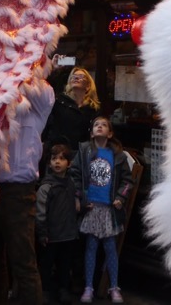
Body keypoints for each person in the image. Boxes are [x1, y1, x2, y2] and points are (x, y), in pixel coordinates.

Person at [0, 76, 55, 305]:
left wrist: (20, 62)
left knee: (23, 261)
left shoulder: (39, 102)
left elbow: (39, 88)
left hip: (18, 191)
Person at [70, 116, 134, 304]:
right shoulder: (84, 151)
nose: (99, 127)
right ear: (91, 132)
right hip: (91, 207)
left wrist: (121, 197)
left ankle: (114, 286)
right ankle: (88, 286)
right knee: (90, 247)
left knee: (110, 248)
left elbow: (127, 181)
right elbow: (74, 175)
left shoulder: (118, 156)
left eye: (104, 125)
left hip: (109, 209)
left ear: (110, 133)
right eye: (96, 125)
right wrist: (80, 197)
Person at [37, 144, 80, 305]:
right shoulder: (46, 186)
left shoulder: (71, 184)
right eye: (54, 158)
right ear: (49, 163)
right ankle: (45, 290)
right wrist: (42, 232)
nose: (57, 162)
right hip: (51, 235)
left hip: (68, 234)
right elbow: (41, 212)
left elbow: (76, 202)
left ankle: (63, 289)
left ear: (68, 163)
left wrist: (81, 203)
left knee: (64, 264)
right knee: (47, 264)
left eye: (62, 159)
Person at [43, 67, 101, 155]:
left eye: (81, 76)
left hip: (81, 154)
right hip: (58, 154)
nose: (76, 78)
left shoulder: (92, 108)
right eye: (74, 76)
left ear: (88, 86)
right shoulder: (59, 102)